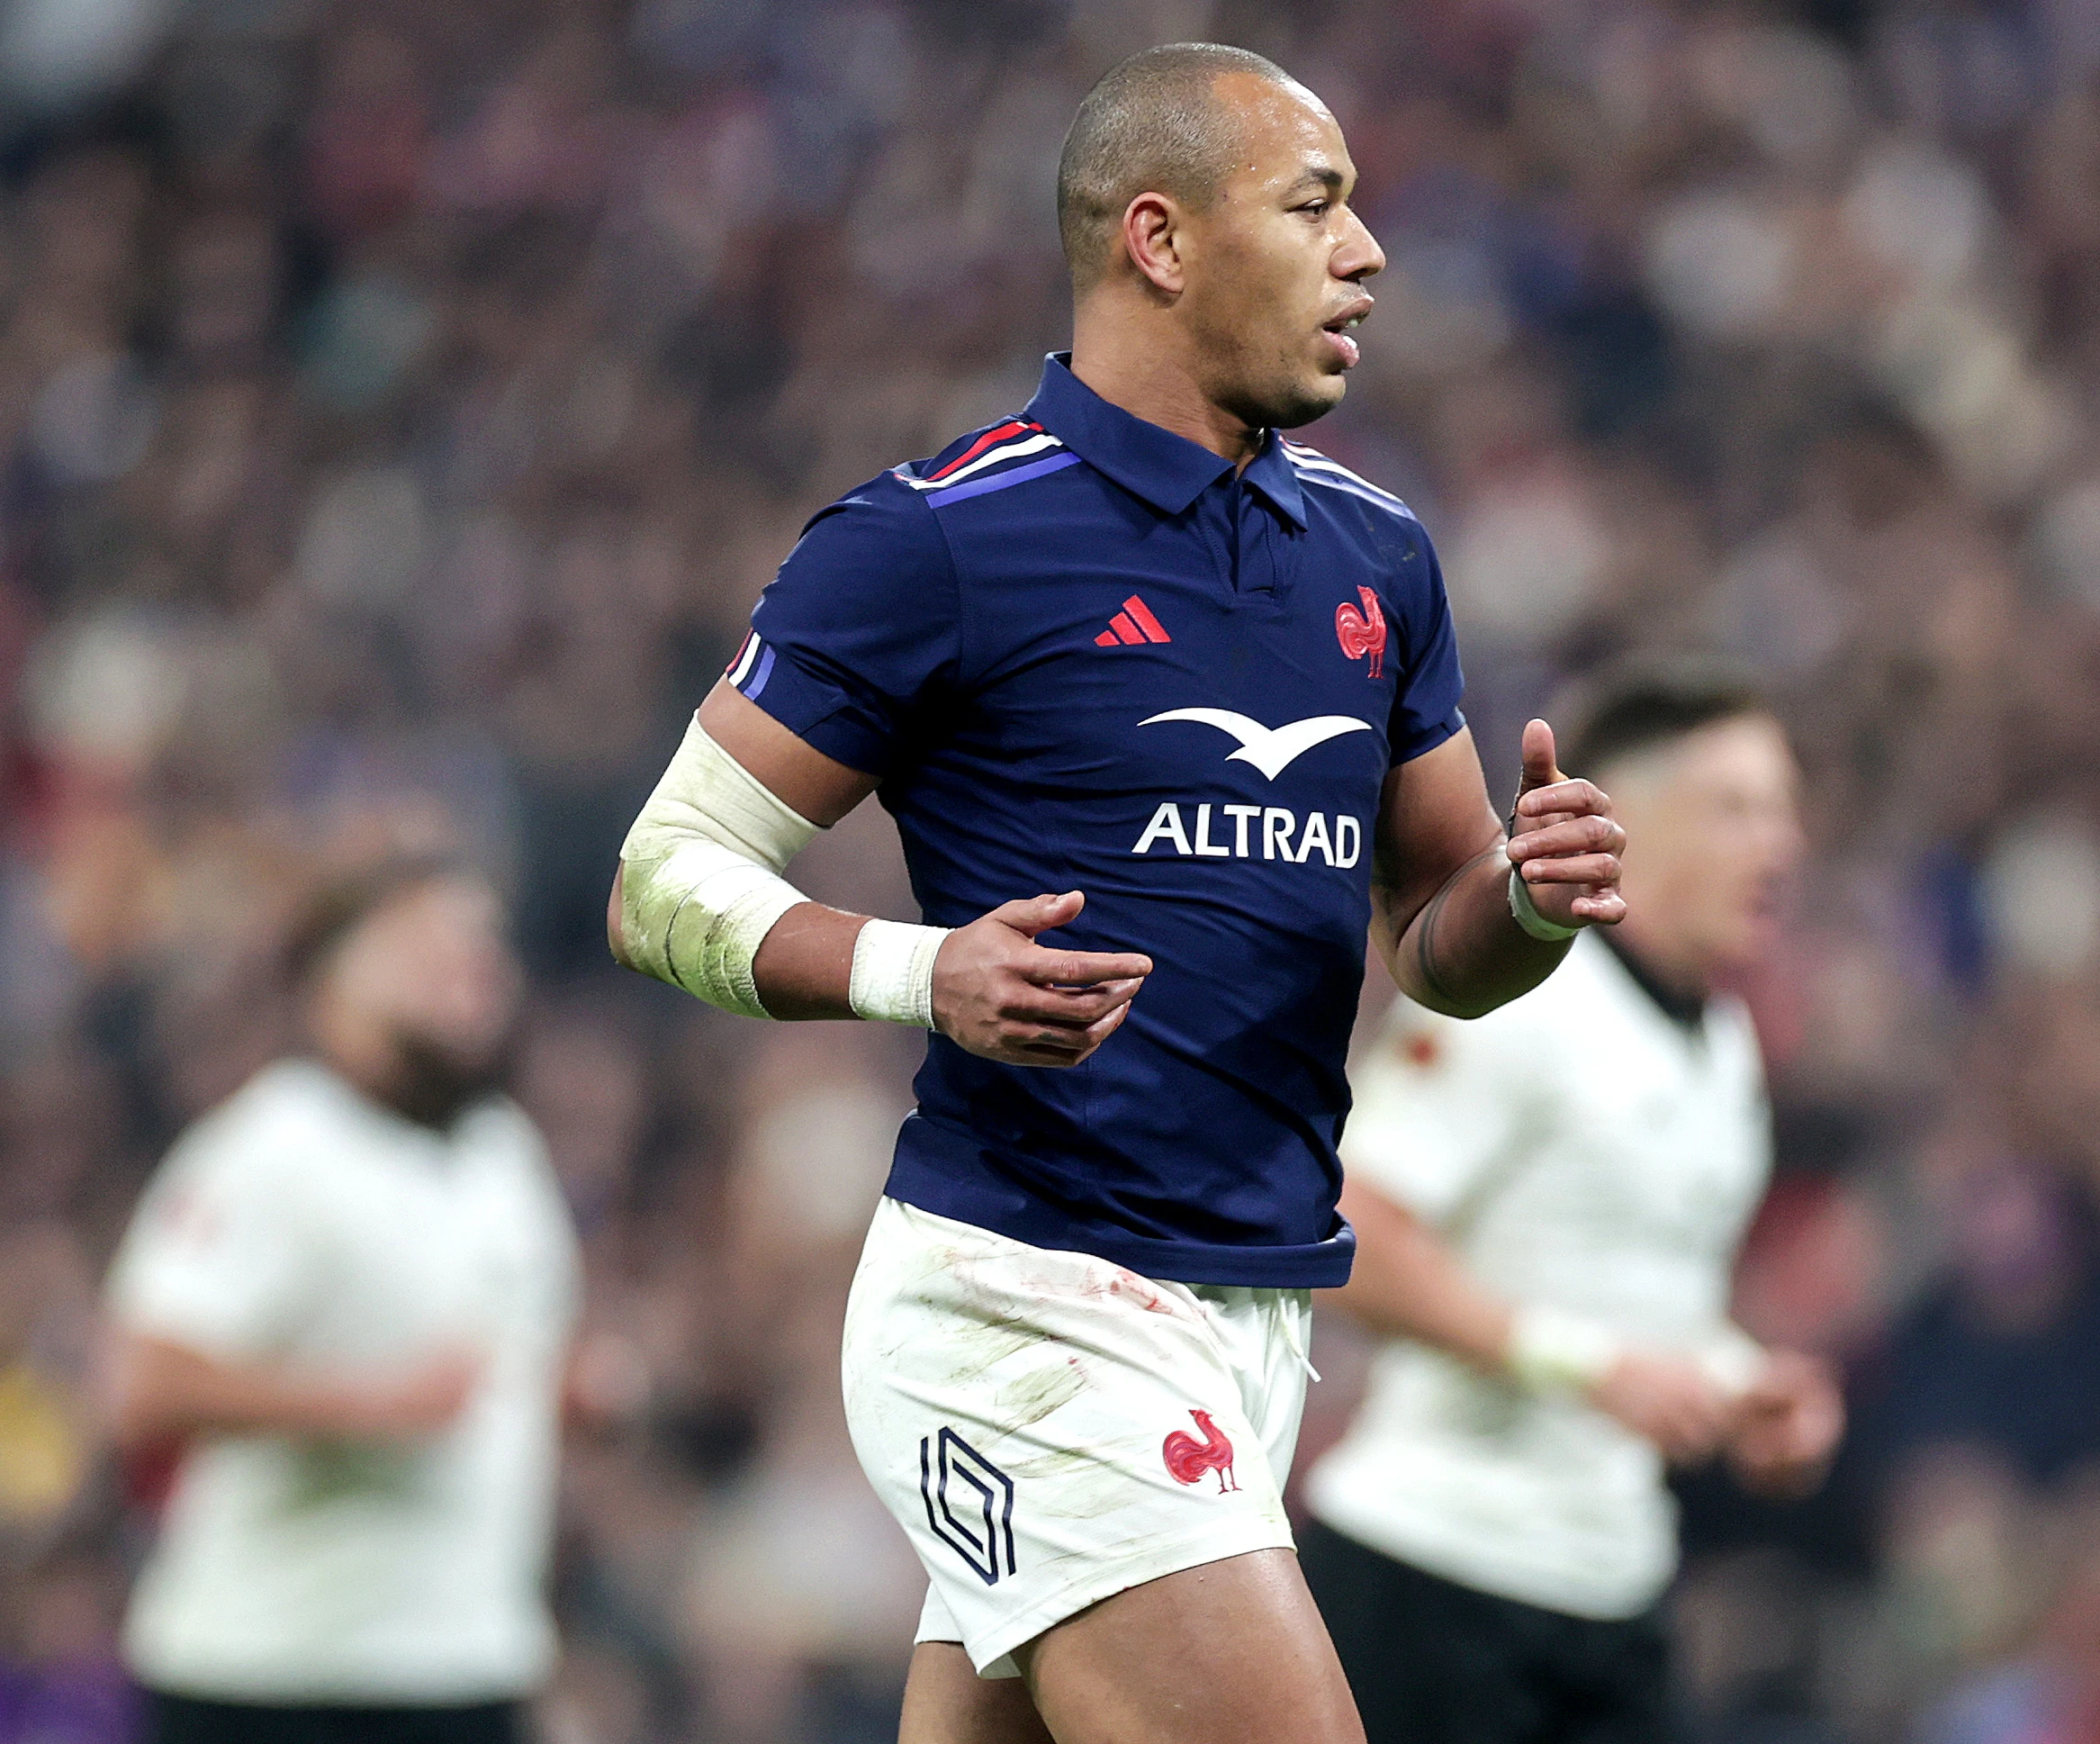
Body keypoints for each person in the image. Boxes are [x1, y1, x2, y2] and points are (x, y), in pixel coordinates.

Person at [606, 40, 1631, 1744]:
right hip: (1030, 1300)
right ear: (1157, 239)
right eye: (1314, 206)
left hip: (1253, 1306)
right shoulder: (938, 536)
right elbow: (661, 878)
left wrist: (1524, 900)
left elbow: (1437, 939)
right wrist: (920, 972)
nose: (1368, 252)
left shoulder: (1376, 555)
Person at [1300, 662, 1847, 1744]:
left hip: (1615, 1591)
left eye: (1783, 810)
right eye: (1734, 808)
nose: (1779, 845)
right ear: (1625, 819)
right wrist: (1583, 1365)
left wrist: (1737, 1382)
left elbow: (1639, 1299)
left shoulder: (1723, 1041)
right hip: (1432, 1573)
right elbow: (1347, 1229)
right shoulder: (1518, 998)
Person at [100, 860, 578, 1744]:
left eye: (481, 949)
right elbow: (144, 1387)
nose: (468, 972)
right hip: (275, 1675)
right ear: (330, 978)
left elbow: (499, 1373)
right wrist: (371, 1403)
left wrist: (572, 1392)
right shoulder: (271, 1147)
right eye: (425, 948)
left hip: (468, 1661)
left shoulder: (502, 1151)